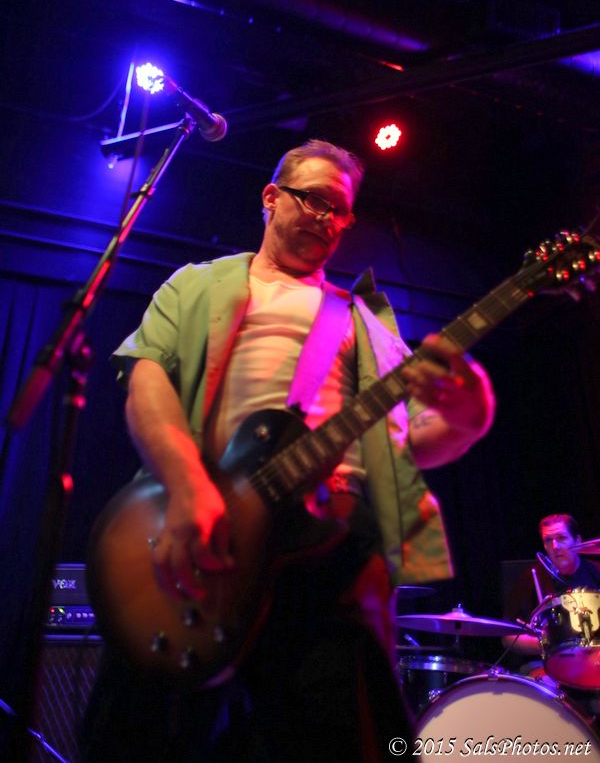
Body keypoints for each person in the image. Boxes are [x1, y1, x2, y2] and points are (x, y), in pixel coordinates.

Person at [81, 139, 495, 762]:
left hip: (329, 547)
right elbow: (146, 384)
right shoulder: (196, 285)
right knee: (140, 741)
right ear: (271, 198)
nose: (328, 218)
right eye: (314, 200)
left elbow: (409, 443)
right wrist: (189, 487)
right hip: (205, 534)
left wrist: (469, 417)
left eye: (341, 210)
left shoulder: (363, 320)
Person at [504, 513, 600, 657]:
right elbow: (508, 637)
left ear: (577, 540)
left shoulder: (596, 571)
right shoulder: (531, 577)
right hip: (548, 663)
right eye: (548, 540)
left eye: (561, 538)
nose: (555, 546)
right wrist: (548, 643)